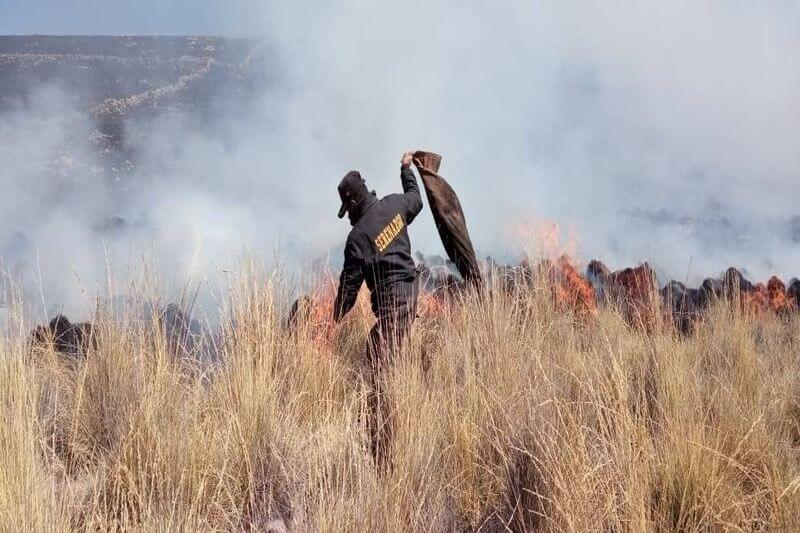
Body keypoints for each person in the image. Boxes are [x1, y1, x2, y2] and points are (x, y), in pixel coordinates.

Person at [333, 150, 423, 469]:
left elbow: (347, 295)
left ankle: (382, 456)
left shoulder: (358, 238)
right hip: (413, 294)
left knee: (377, 378)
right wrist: (405, 169)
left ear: (353, 204)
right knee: (383, 354)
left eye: (348, 210)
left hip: (393, 309)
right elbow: (416, 199)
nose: (350, 216)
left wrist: (330, 323)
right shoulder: (395, 205)